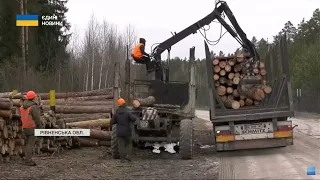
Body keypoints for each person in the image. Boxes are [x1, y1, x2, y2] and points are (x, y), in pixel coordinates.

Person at [20, 91, 42, 166]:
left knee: (26, 144)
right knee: (30, 145)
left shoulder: (22, 107)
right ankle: (28, 161)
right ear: (33, 98)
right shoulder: (33, 107)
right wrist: (40, 127)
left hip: (24, 128)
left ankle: (24, 158)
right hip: (32, 128)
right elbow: (37, 119)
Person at [111, 98, 137, 163]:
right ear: (124, 104)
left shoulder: (116, 112)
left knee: (121, 146)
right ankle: (128, 156)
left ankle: (122, 159)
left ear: (118, 105)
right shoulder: (128, 111)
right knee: (129, 143)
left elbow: (112, 122)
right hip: (127, 132)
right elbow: (134, 119)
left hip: (119, 132)